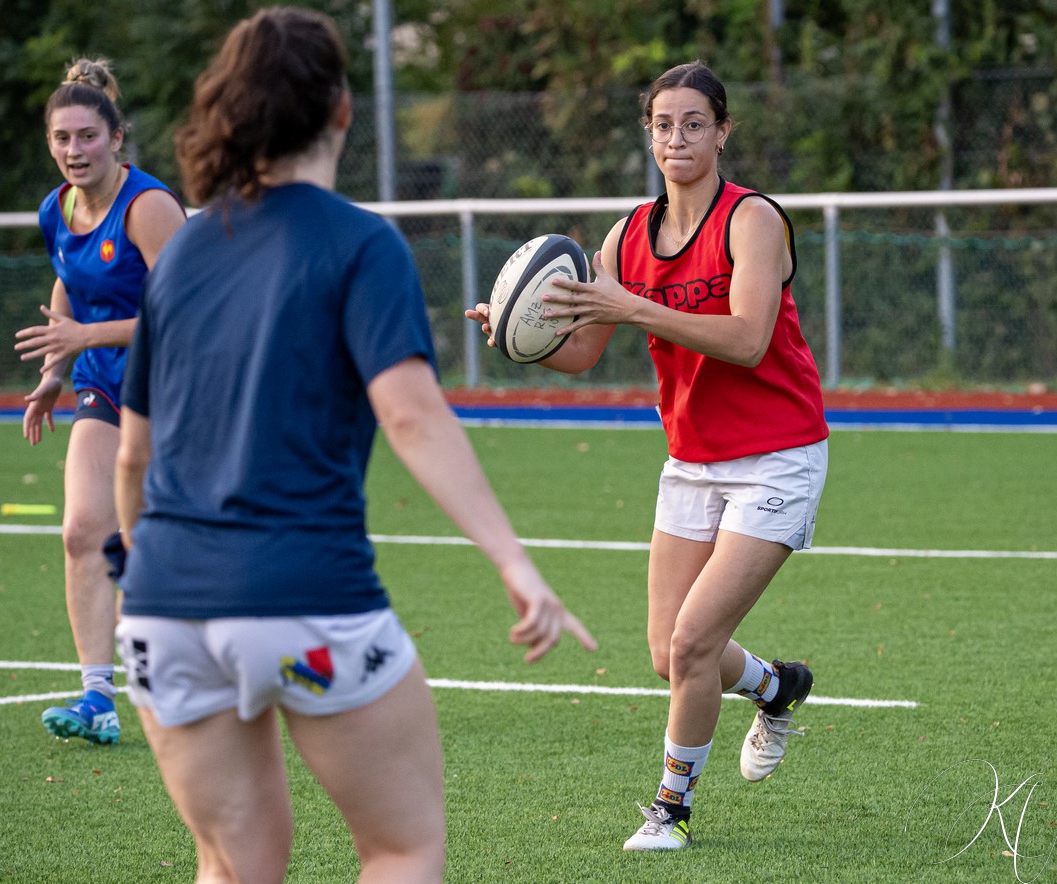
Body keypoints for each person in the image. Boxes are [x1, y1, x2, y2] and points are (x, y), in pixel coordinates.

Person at [111, 8, 597, 883]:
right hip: (305, 601)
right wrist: (517, 566)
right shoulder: (361, 242)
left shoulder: (181, 254)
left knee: (229, 868)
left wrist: (159, 578)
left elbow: (131, 461)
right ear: (341, 109)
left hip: (163, 610)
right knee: (401, 849)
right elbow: (411, 416)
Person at [468, 60, 829, 851]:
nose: (677, 139)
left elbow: (748, 338)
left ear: (723, 130)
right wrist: (515, 336)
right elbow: (586, 350)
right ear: (649, 134)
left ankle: (670, 811)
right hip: (692, 459)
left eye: (694, 123)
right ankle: (777, 688)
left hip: (777, 454)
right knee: (669, 652)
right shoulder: (627, 236)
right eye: (663, 125)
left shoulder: (752, 221)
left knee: (696, 641)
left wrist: (636, 306)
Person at [14, 57, 186, 746]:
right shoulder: (55, 209)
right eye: (62, 138)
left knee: (192, 536)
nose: (73, 150)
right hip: (106, 380)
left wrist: (87, 333)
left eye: (87, 136)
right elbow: (67, 284)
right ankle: (96, 698)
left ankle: (277, 663)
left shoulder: (149, 208)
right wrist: (58, 366)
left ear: (118, 138)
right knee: (82, 528)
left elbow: (191, 315)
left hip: (180, 381)